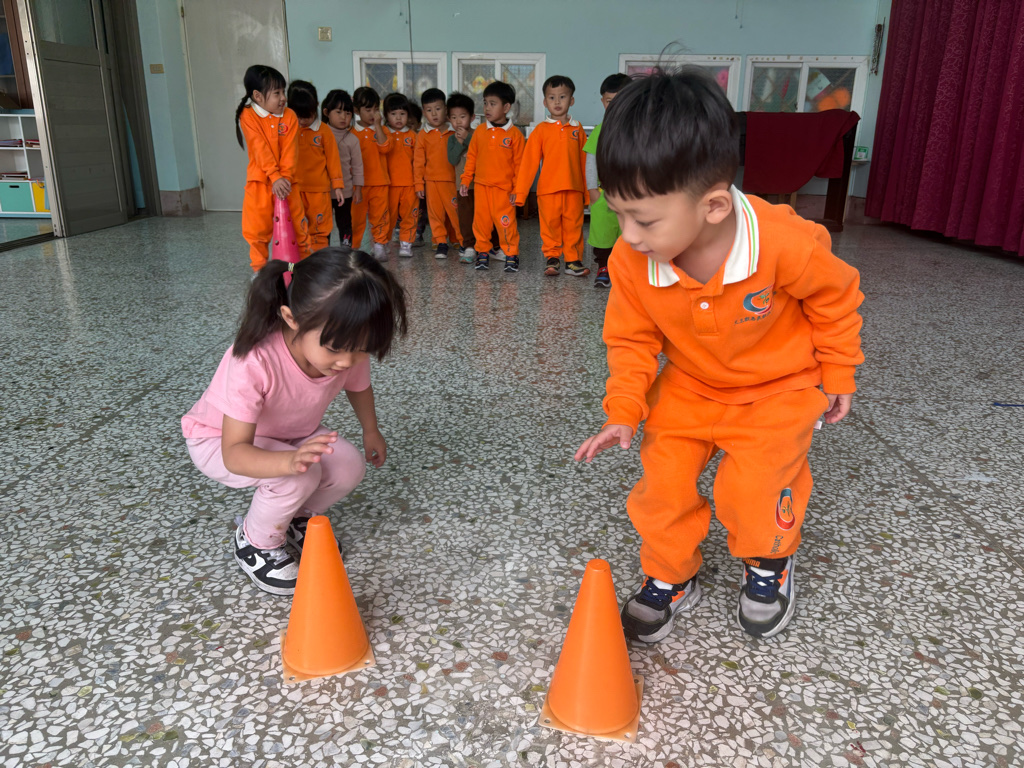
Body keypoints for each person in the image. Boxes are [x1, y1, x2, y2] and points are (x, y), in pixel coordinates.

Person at [574, 68, 864, 642]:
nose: (626, 235)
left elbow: (836, 297)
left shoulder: (781, 241)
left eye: (644, 219)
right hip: (690, 385)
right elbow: (631, 339)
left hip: (779, 388)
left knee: (754, 490)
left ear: (712, 206)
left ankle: (770, 560)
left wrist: (838, 370)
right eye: (616, 211)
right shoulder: (633, 261)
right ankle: (671, 574)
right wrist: (624, 409)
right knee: (663, 485)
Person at [182, 247, 408, 596]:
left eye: (362, 350)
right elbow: (234, 453)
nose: (347, 362)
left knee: (348, 465)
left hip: (289, 435)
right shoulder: (254, 361)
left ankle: (294, 518)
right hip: (218, 442)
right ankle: (255, 542)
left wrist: (370, 429)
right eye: (335, 350)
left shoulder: (347, 345)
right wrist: (288, 463)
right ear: (291, 319)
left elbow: (359, 386)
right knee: (299, 475)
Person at [234, 64, 310, 272]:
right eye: (277, 93)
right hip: (259, 183)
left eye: (283, 92)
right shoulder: (248, 115)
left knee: (299, 228)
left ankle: (303, 270)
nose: (283, 98)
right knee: (257, 230)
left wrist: (284, 179)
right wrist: (274, 176)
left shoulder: (289, 116)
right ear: (258, 96)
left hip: (288, 183)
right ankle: (259, 270)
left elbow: (290, 151)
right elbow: (259, 148)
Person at [514, 75, 589, 277]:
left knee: (574, 226)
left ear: (571, 100)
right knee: (550, 227)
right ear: (545, 102)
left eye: (562, 97)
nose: (557, 102)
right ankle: (552, 258)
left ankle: (573, 260)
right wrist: (521, 194)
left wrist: (588, 193)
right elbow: (529, 163)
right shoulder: (541, 130)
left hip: (574, 189)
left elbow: (585, 163)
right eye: (552, 97)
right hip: (547, 190)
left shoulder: (577, 129)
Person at [459, 81, 525, 273]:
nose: (487, 108)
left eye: (493, 104)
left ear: (506, 107)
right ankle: (482, 253)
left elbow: (520, 166)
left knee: (506, 223)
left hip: (504, 190)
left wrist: (517, 190)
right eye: (485, 103)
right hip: (481, 187)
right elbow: (471, 157)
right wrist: (466, 179)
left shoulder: (515, 135)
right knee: (481, 223)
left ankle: (511, 254)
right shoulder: (480, 131)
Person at [584, 73, 632, 288]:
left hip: (631, 195)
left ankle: (627, 270)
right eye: (609, 101)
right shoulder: (600, 130)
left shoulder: (638, 131)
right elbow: (591, 161)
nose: (614, 107)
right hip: (604, 193)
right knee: (603, 233)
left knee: (629, 233)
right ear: (603, 101)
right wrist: (592, 189)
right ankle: (604, 267)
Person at [288, 80, 344, 252]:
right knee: (296, 228)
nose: (303, 121)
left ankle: (319, 260)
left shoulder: (324, 131)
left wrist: (337, 185)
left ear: (316, 107)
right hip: (294, 189)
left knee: (320, 229)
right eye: (298, 116)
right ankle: (299, 261)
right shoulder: (288, 129)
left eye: (307, 115)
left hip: (319, 191)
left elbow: (333, 159)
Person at [446, 91, 501, 264]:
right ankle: (469, 246)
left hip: (482, 184)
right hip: (463, 186)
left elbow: (484, 152)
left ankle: (493, 246)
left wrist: (467, 138)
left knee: (488, 217)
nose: (458, 121)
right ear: (449, 119)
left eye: (462, 117)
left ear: (472, 117)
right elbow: (452, 159)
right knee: (466, 217)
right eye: (454, 117)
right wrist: (459, 142)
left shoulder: (479, 134)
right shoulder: (451, 139)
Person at [413, 88, 462, 259]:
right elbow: (418, 162)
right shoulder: (423, 135)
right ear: (423, 112)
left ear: (446, 109)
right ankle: (441, 241)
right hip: (431, 182)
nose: (434, 114)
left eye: (438, 108)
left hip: (451, 181)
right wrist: (419, 184)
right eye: (429, 110)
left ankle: (460, 239)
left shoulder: (454, 132)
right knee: (435, 215)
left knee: (455, 213)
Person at [350, 87, 393, 261]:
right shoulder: (351, 133)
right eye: (368, 110)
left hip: (380, 181)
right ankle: (354, 247)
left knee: (380, 215)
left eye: (376, 109)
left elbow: (385, 148)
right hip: (358, 185)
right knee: (356, 218)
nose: (373, 114)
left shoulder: (383, 130)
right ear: (356, 110)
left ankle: (379, 244)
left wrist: (378, 126)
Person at [322, 89, 363, 247]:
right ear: (326, 112)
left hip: (345, 191)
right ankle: (323, 250)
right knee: (323, 223)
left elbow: (357, 166)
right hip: (323, 190)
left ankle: (346, 250)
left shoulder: (353, 139)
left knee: (345, 222)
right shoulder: (320, 135)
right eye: (338, 112)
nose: (343, 117)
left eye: (347, 113)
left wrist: (358, 189)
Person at [382, 93, 419, 258]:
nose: (398, 118)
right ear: (386, 115)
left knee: (410, 215)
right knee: (387, 216)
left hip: (410, 185)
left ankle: (406, 243)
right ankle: (383, 242)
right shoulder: (383, 134)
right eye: (393, 114)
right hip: (389, 185)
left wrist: (418, 183)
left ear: (408, 116)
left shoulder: (413, 136)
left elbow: (418, 162)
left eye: (402, 114)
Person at [406, 102, 428, 248]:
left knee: (420, 209)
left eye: (412, 124)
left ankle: (418, 232)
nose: (408, 128)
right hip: (404, 180)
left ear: (419, 125)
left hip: (420, 181)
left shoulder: (420, 138)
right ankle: (402, 230)